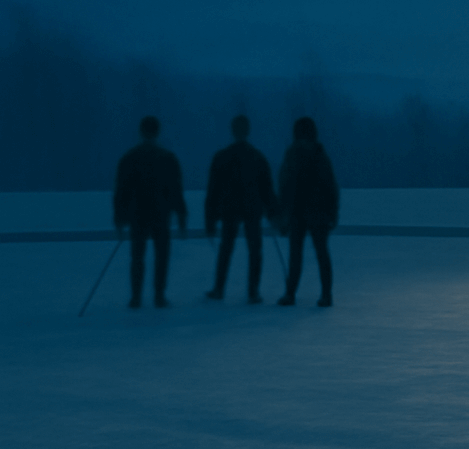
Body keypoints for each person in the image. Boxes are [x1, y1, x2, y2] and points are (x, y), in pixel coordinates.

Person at [113, 115, 189, 308]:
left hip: (137, 214)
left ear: (141, 132)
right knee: (161, 255)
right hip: (160, 213)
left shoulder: (129, 158)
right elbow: (175, 189)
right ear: (157, 132)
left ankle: (136, 296)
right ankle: (159, 295)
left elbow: (122, 190)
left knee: (138, 255)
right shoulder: (167, 158)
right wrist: (181, 216)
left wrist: (120, 217)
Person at [204, 115, 278, 303]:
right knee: (254, 250)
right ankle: (253, 292)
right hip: (252, 209)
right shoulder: (258, 157)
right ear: (248, 131)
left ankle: (219, 289)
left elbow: (213, 190)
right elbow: (267, 189)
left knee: (226, 249)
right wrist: (273, 213)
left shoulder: (222, 157)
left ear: (233, 130)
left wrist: (210, 219)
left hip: (229, 209)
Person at [277, 116, 339, 307]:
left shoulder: (300, 155)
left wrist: (282, 214)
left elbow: (285, 185)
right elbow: (330, 186)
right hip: (307, 212)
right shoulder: (317, 154)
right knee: (309, 254)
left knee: (309, 254)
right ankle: (300, 293)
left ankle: (297, 293)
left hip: (309, 212)